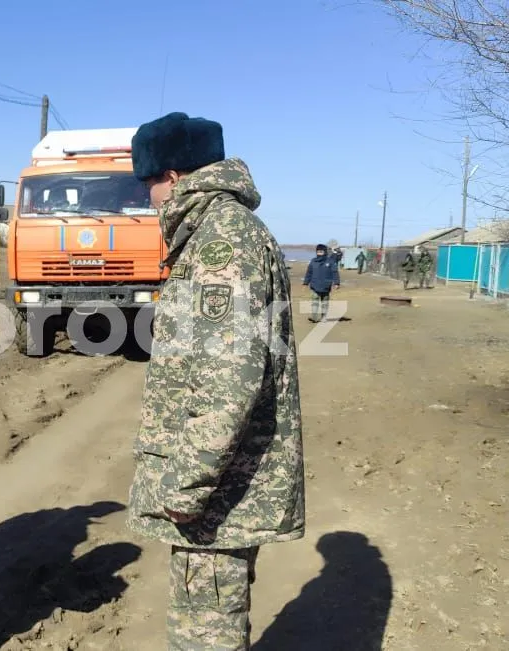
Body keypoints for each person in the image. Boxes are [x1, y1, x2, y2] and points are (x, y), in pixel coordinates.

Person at [125, 112, 305, 651]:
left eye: (147, 183)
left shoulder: (221, 242)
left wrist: (184, 485)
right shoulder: (219, 232)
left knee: (206, 628)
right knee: (214, 610)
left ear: (174, 176)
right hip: (223, 484)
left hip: (218, 493)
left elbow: (229, 379)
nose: (147, 197)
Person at [303, 243, 341, 323]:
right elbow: (309, 272)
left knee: (324, 303)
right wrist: (306, 282)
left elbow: (335, 272)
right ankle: (314, 317)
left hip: (326, 286)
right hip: (314, 286)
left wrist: (336, 283)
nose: (319, 253)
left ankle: (323, 317)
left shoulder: (330, 261)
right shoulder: (313, 261)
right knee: (315, 302)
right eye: (318, 251)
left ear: (325, 252)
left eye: (321, 251)